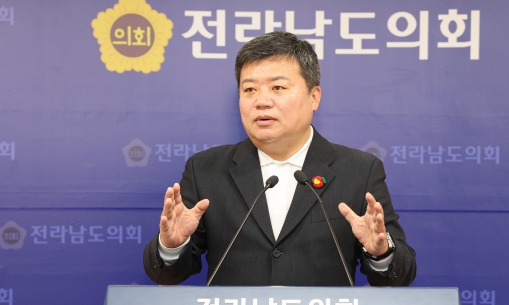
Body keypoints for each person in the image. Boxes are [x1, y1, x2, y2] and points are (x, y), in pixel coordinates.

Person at [143, 32, 416, 286]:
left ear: (314, 97)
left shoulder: (358, 170)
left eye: (278, 87)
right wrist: (172, 246)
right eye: (250, 90)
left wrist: (381, 252)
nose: (262, 101)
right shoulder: (206, 169)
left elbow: (399, 275)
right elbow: (166, 275)